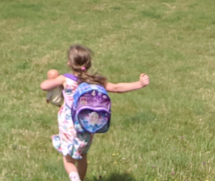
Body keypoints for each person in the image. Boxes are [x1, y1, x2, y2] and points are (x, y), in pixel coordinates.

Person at [39, 44, 149, 181]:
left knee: (68, 158)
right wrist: (139, 84)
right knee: (83, 156)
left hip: (69, 123)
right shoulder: (96, 81)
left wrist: (53, 80)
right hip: (87, 122)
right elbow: (117, 87)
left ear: (69, 63)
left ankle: (74, 177)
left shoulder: (65, 79)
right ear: (89, 63)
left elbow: (43, 86)